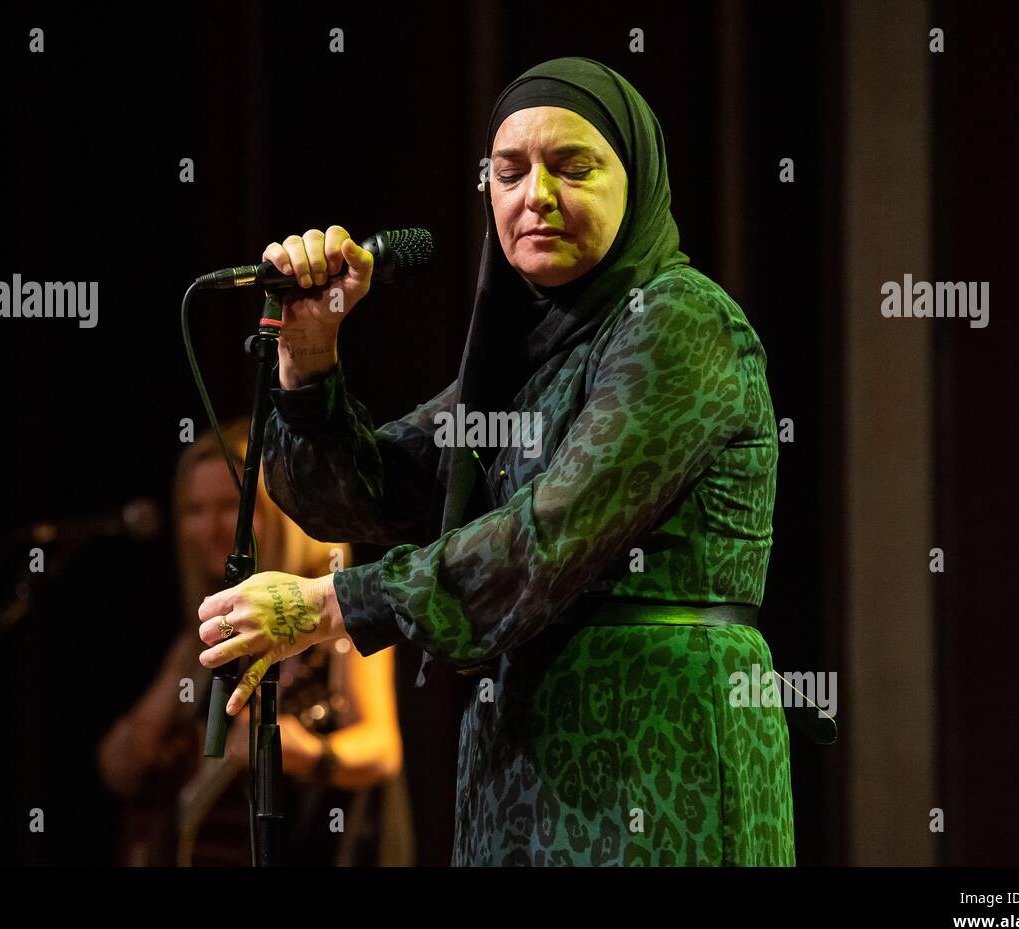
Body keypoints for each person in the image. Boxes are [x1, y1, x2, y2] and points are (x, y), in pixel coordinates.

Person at [196, 56, 795, 865]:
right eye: (508, 173)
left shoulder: (679, 325)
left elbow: (544, 539)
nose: (534, 197)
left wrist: (328, 604)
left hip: (662, 762)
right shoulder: (522, 357)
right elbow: (360, 497)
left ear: (639, 179)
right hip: (524, 775)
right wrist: (310, 357)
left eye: (572, 167)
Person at [98, 419, 411, 865]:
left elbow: (382, 749)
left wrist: (307, 753)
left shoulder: (333, 613)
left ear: (277, 515)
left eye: (229, 506)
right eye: (193, 510)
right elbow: (122, 768)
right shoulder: (198, 642)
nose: (209, 528)